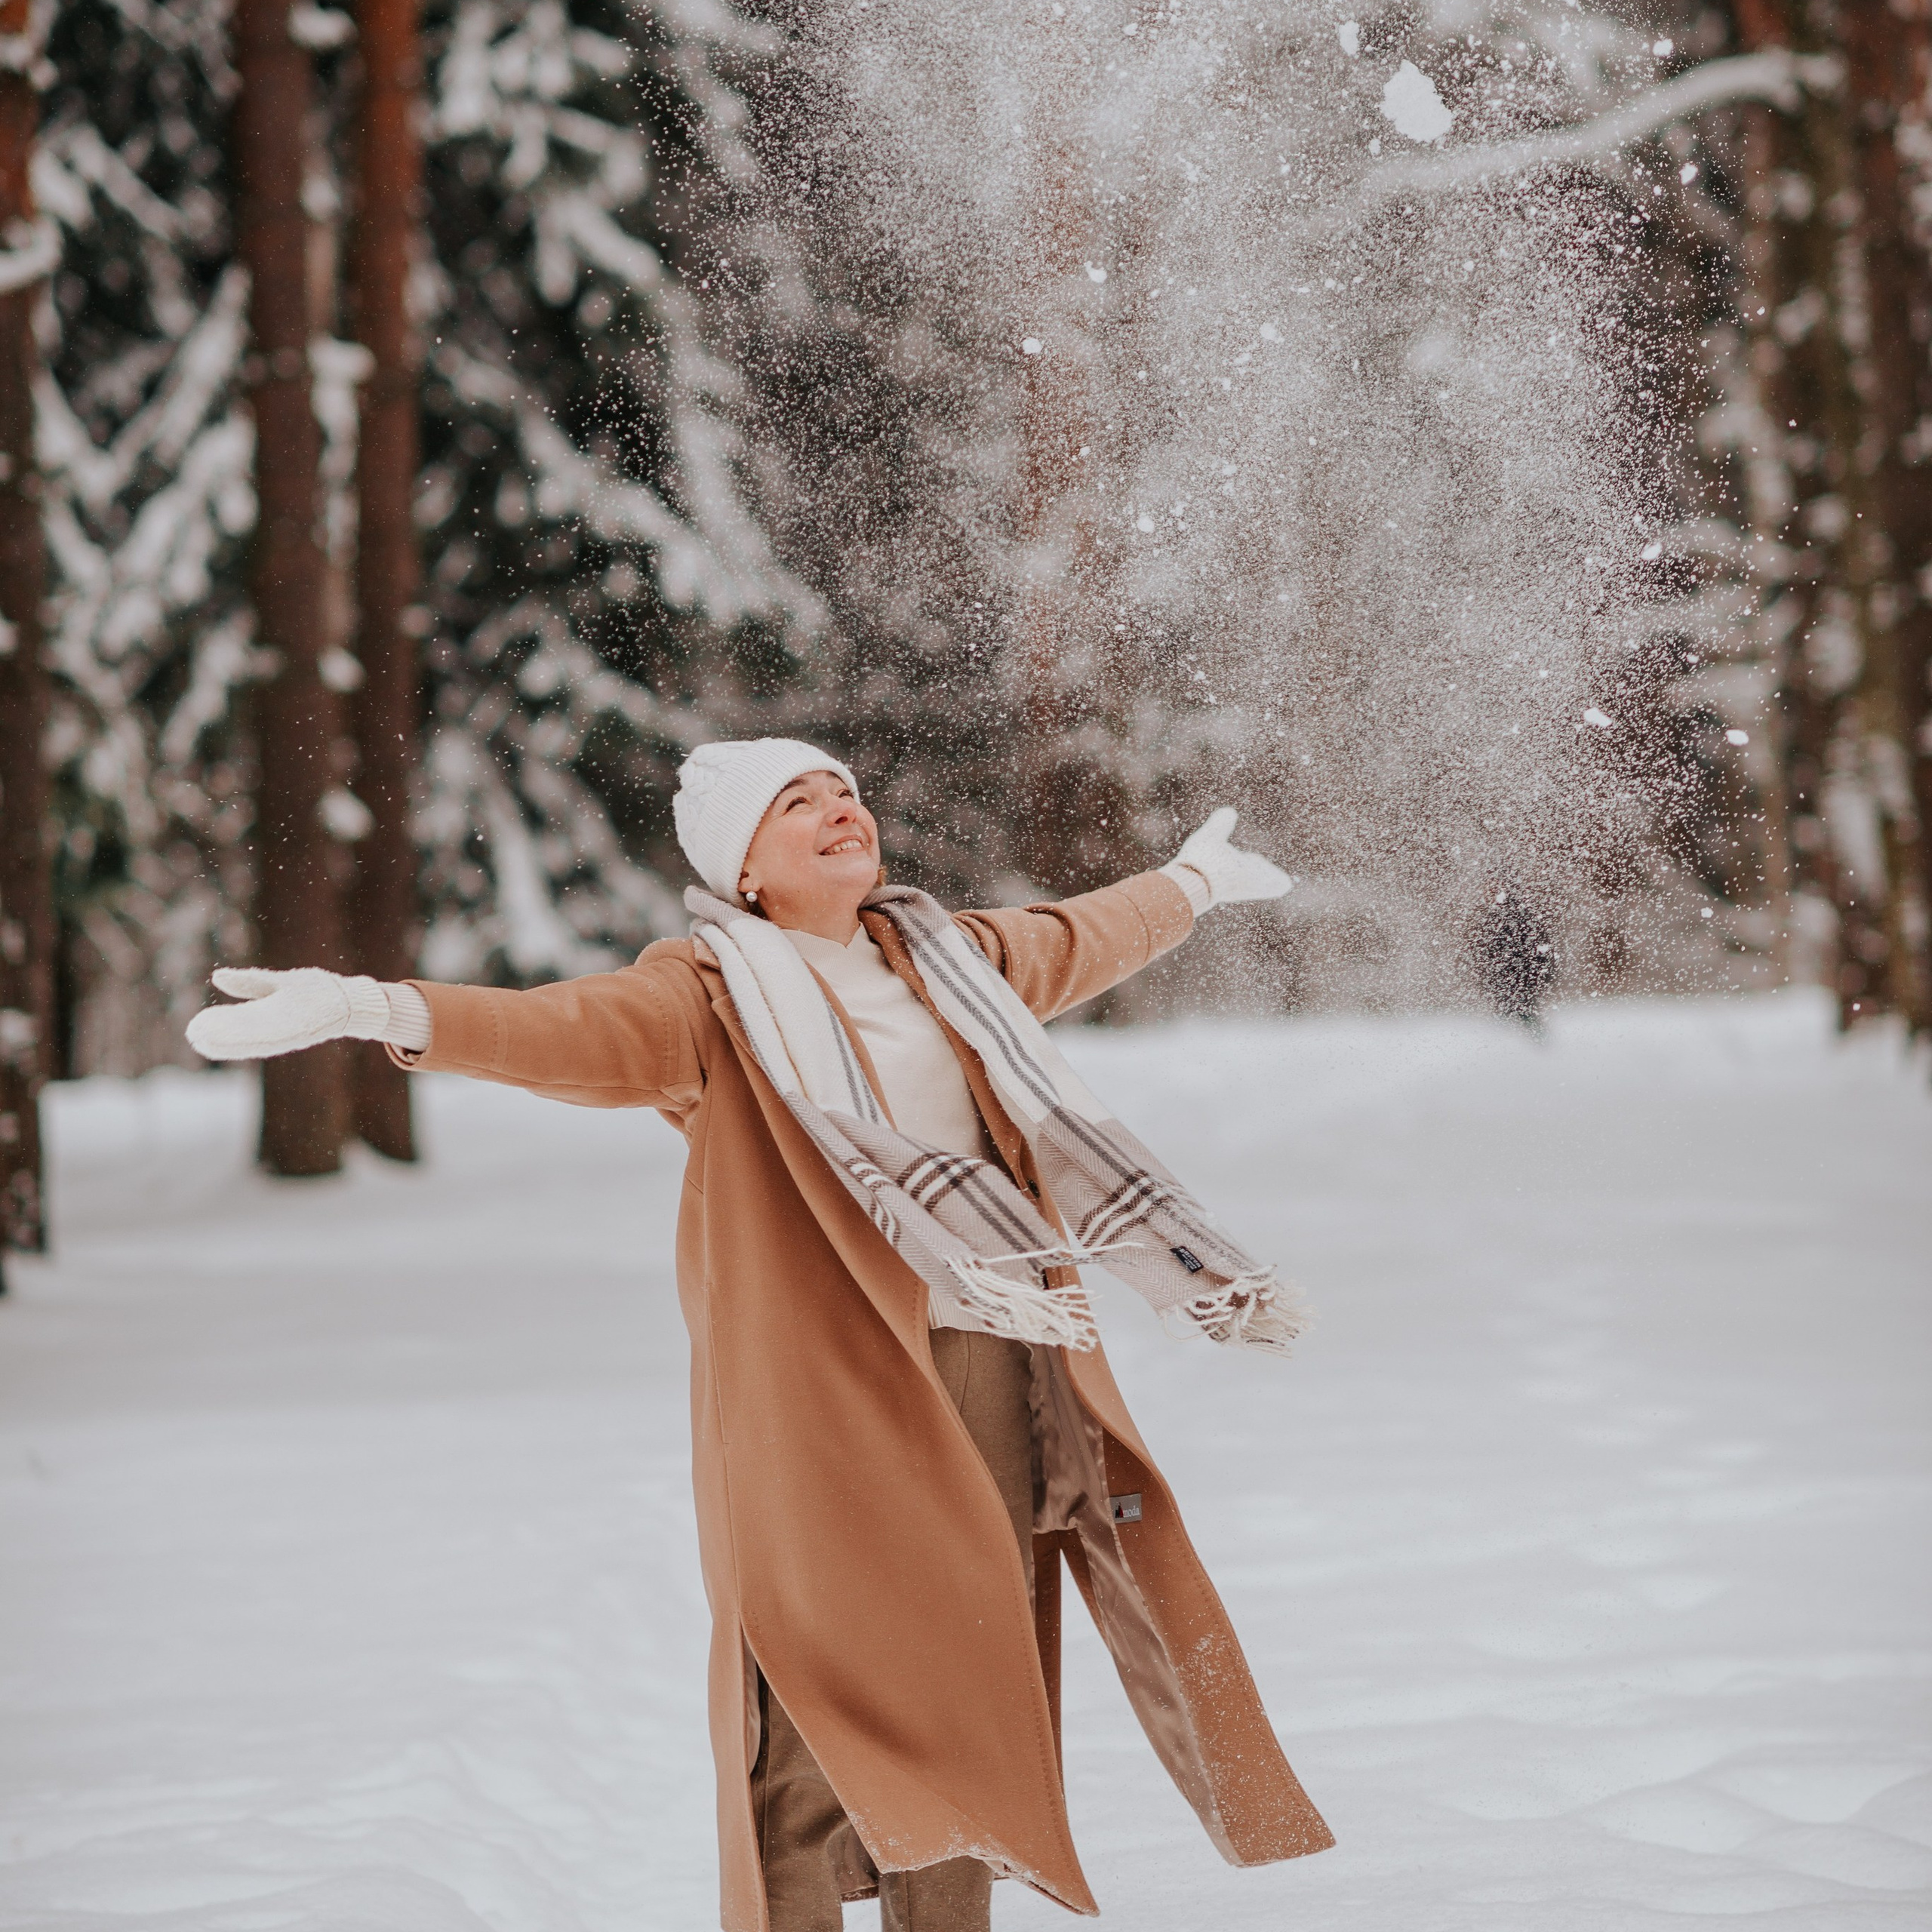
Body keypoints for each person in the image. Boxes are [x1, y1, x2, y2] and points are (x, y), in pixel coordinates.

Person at [188, 738, 1334, 1932]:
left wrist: (1192, 885)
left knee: (968, 1687)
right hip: (818, 1406)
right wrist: (378, 1008)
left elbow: (1078, 931)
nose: (842, 809)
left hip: (989, 1364)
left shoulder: (956, 961)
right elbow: (559, 1029)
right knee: (804, 1713)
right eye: (799, 802)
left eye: (844, 789)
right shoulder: (705, 1001)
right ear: (745, 871)